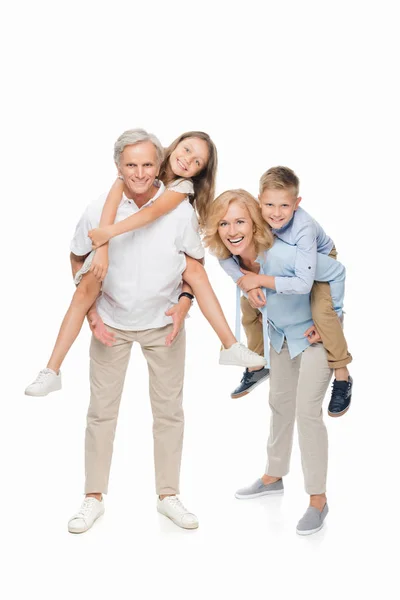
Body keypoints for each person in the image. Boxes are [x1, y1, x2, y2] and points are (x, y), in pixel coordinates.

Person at [24, 131, 265, 397]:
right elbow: (114, 195)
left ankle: (229, 344)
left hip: (153, 255)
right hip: (115, 258)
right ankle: (52, 370)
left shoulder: (182, 188)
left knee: (195, 269)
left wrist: (109, 233)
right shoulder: (146, 161)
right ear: (172, 148)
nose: (187, 161)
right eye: (186, 150)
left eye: (197, 162)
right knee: (84, 289)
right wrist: (102, 247)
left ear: (199, 173)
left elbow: (151, 213)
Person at [62, 128, 217, 533]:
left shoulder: (180, 209)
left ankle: (169, 496)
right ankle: (92, 498)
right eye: (131, 164)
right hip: (111, 323)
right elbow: (77, 256)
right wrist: (92, 313)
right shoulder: (100, 209)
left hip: (162, 325)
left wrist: (183, 308)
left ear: (158, 163)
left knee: (169, 414)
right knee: (101, 414)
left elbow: (194, 267)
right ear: (119, 168)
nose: (141, 172)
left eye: (148, 164)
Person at [204, 189, 347, 535]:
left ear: (255, 223)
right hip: (280, 337)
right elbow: (237, 275)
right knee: (279, 405)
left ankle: (318, 500)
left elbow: (337, 271)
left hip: (313, 341)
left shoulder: (285, 254)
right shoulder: (233, 259)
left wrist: (334, 319)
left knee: (306, 413)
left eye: (239, 221)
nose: (232, 229)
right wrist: (243, 281)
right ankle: (273, 477)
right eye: (224, 223)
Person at [222, 167, 352, 418]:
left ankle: (342, 376)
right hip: (287, 265)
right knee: (248, 307)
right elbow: (224, 253)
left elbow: (305, 282)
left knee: (322, 313)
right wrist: (246, 283)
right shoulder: (258, 217)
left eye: (284, 206)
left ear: (297, 203)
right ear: (259, 200)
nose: (276, 213)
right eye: (269, 204)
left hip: (318, 265)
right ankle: (257, 364)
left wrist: (335, 314)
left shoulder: (303, 230)